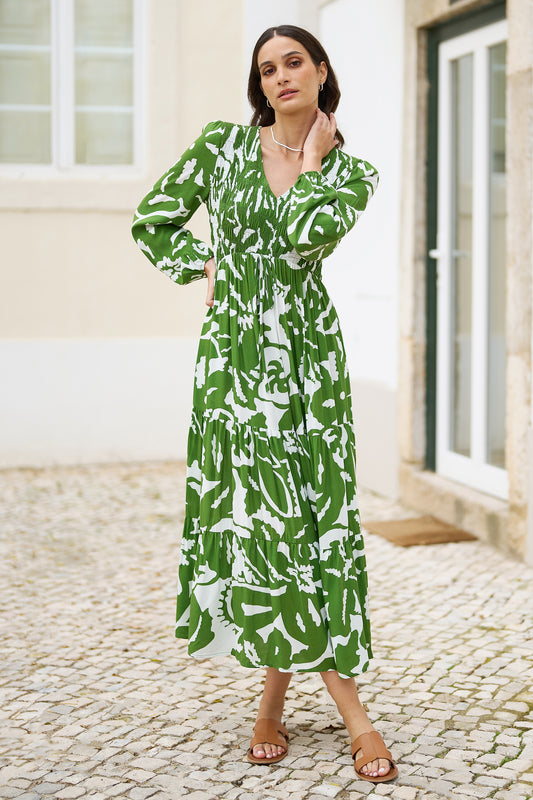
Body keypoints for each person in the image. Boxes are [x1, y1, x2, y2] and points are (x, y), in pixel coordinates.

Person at [131, 24, 397, 784]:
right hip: (236, 364)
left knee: (313, 522)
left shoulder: (351, 174)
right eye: (267, 68)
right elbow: (152, 220)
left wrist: (310, 162)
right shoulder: (222, 148)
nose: (281, 76)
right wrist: (203, 264)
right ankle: (345, 717)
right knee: (265, 524)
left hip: (308, 363)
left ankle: (276, 707)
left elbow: (301, 238)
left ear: (320, 72)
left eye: (294, 63)